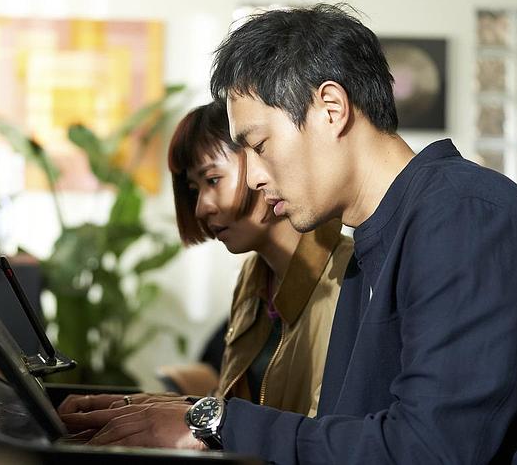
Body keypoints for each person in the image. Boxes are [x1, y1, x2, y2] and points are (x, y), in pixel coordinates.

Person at [60, 4, 517, 464]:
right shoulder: (373, 244)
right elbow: (341, 436)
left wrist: (215, 424)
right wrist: (180, 415)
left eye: (260, 145)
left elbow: (428, 449)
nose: (254, 178)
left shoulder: (465, 216)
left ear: (331, 108)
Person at [59, 101, 354, 430]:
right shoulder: (254, 278)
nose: (200, 208)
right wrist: (128, 407)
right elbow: (236, 406)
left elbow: (325, 434)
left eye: (213, 180)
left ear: (262, 159)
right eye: (194, 189)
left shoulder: (347, 278)